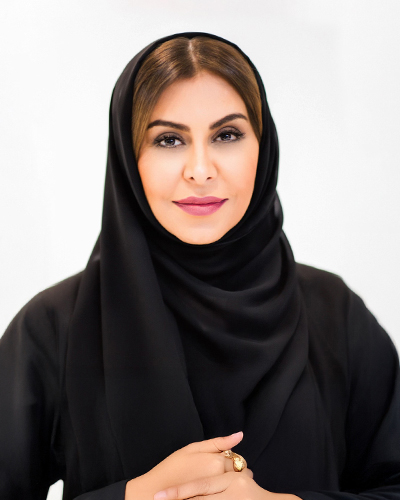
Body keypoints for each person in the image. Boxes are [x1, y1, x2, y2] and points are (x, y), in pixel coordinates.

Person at [0, 31, 399, 500]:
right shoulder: (54, 329)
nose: (201, 169)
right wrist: (135, 496)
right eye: (168, 139)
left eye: (227, 135)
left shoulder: (336, 315)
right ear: (129, 158)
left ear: (263, 147)